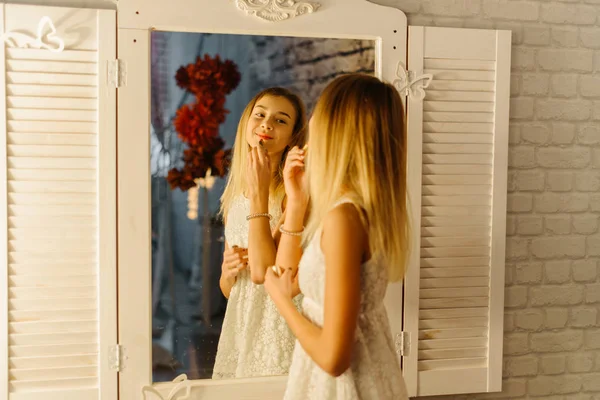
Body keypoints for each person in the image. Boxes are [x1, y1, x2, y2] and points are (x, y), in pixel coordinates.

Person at [264, 74, 410, 399]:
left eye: (317, 123)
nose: (308, 136)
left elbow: (334, 359)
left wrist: (281, 301)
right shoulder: (351, 209)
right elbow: (291, 275)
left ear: (337, 134)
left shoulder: (345, 218)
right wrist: (297, 202)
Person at [212, 87, 306, 379]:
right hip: (241, 325)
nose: (267, 124)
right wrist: (228, 273)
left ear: (292, 136)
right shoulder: (234, 194)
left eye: (281, 120)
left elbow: (264, 273)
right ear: (246, 123)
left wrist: (260, 194)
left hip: (278, 324)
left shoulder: (293, 192)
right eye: (261, 115)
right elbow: (232, 290)